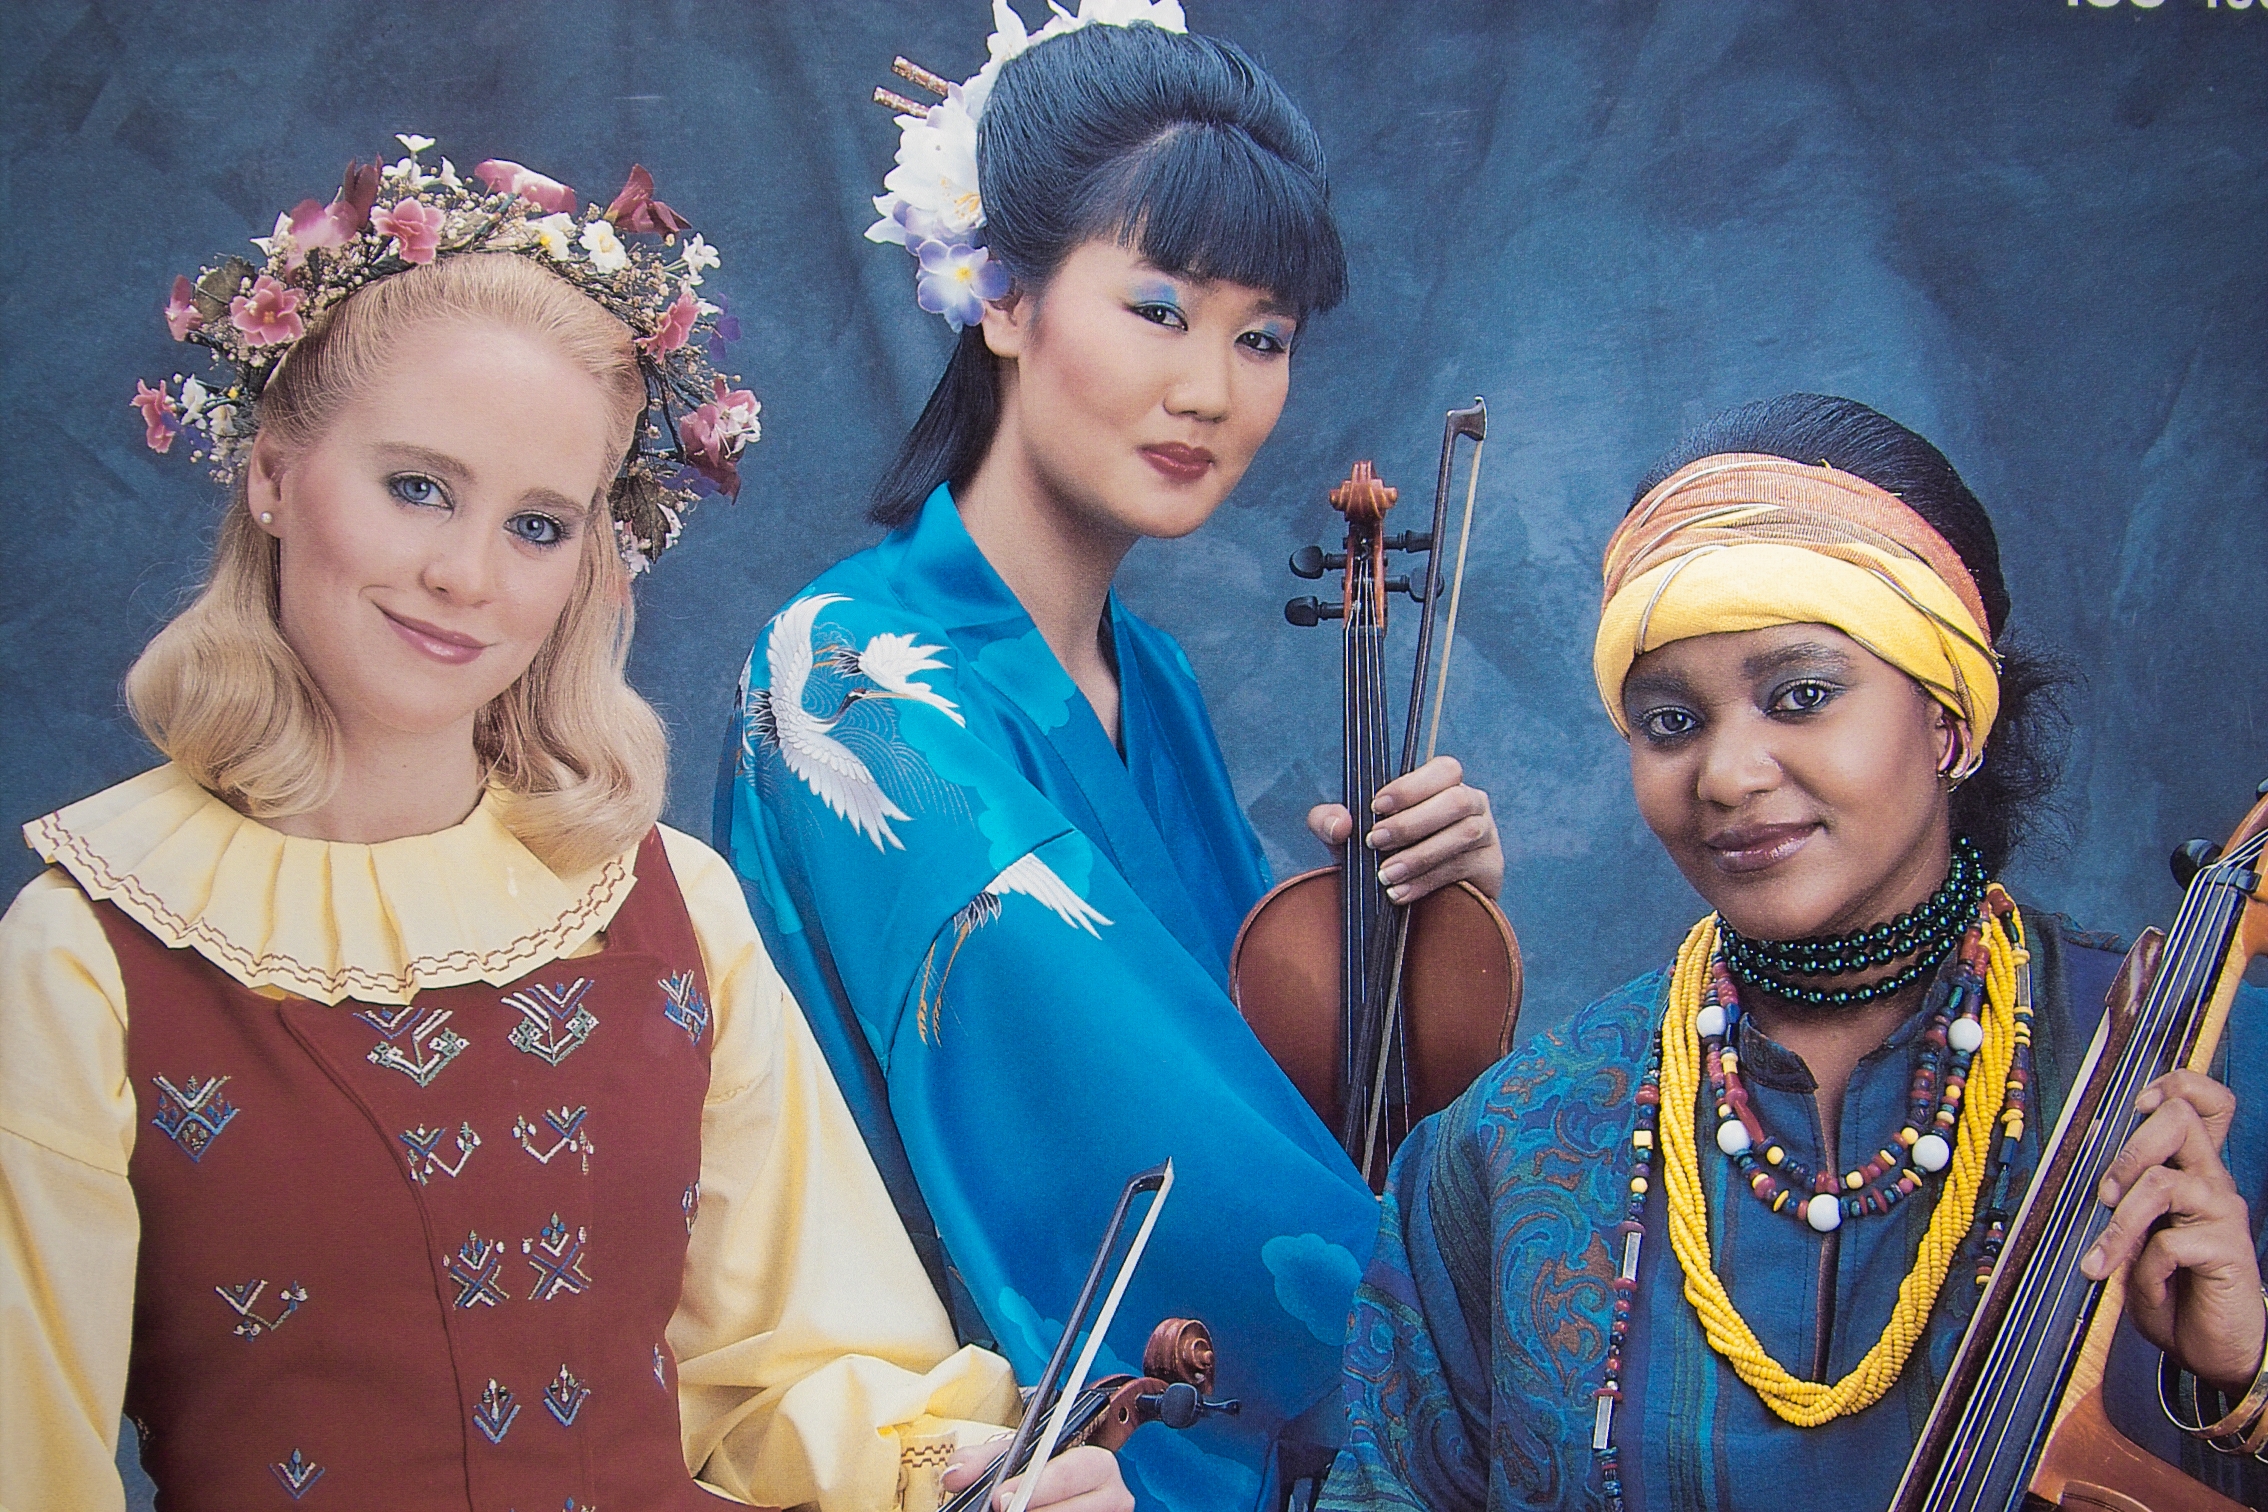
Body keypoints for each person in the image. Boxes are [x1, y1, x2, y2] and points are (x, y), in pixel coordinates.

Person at [0, 137, 1127, 1512]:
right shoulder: (86, 956)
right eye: (418, 487)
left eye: (538, 526)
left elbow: (783, 1371)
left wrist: (957, 1468)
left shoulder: (669, 906)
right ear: (277, 474)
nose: (466, 575)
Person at [717, 7, 1504, 1508]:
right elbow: (1134, 1118)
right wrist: (1475, 1303)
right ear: (1003, 297)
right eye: (1160, 308)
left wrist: (1413, 939)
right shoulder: (846, 676)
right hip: (970, 1436)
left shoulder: (1153, 679)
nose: (1212, 388)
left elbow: (1260, 1071)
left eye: (1262, 337)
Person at [1320, 394, 2268, 1512]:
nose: (1727, 776)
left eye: (1802, 696)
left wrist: (2247, 1375)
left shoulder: (2206, 1075)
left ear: (1950, 720)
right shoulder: (1509, 1141)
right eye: (1670, 724)